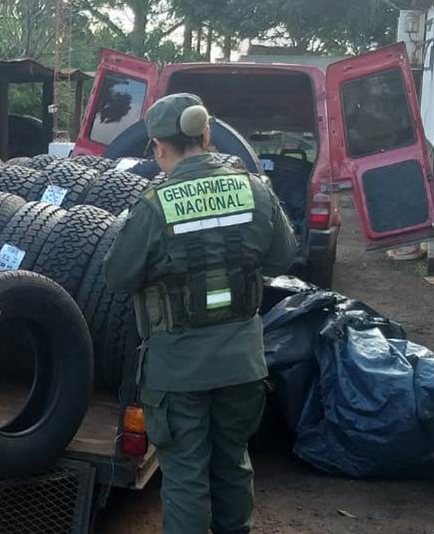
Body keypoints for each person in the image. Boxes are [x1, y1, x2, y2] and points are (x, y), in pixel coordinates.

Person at [103, 93, 297, 534]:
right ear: (206, 135)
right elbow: (282, 258)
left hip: (178, 367)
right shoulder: (253, 188)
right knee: (232, 461)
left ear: (158, 146)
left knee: (186, 474)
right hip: (241, 362)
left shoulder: (155, 204)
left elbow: (117, 275)